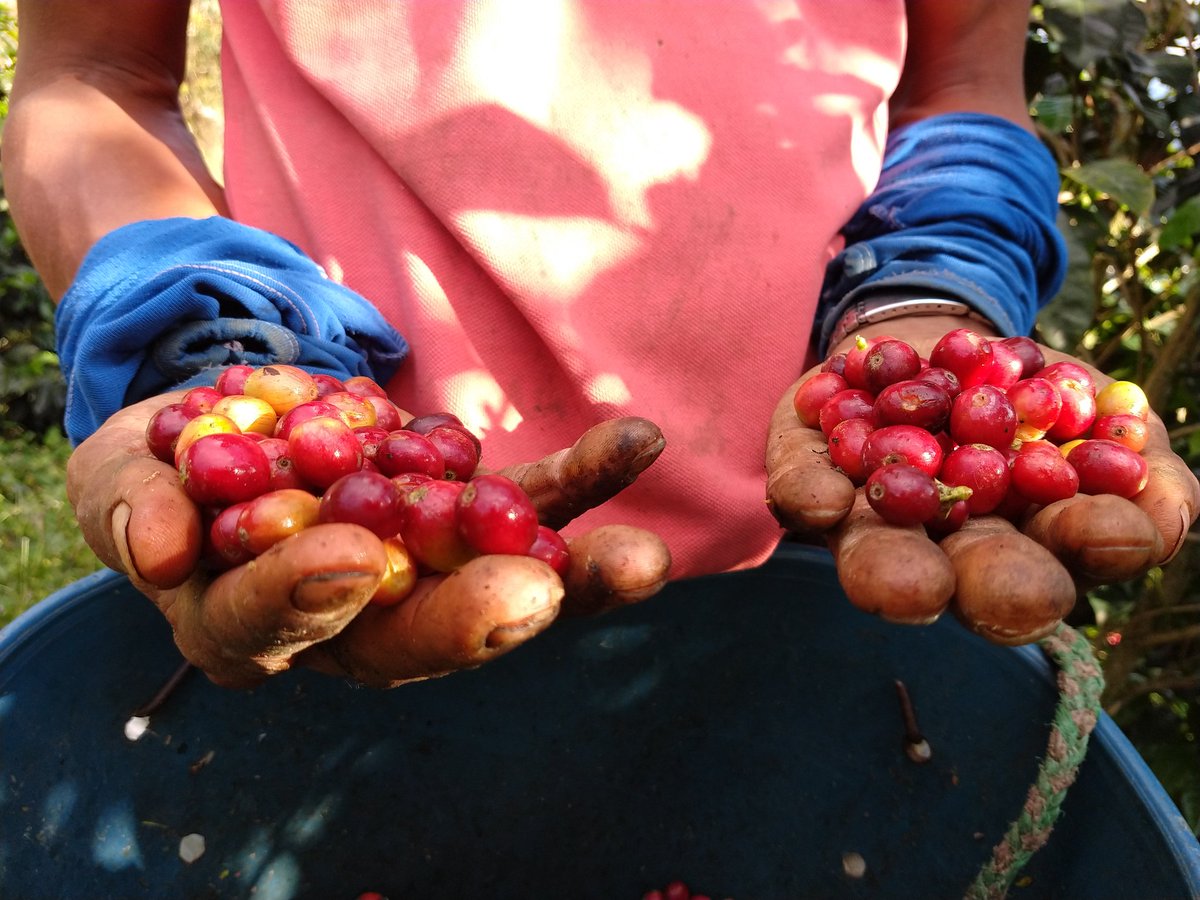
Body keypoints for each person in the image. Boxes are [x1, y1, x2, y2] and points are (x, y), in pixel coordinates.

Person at [6, 0, 1197, 688]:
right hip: (361, 551)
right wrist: (199, 339)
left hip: (813, 570)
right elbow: (96, 75)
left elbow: (963, 88)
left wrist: (925, 298)